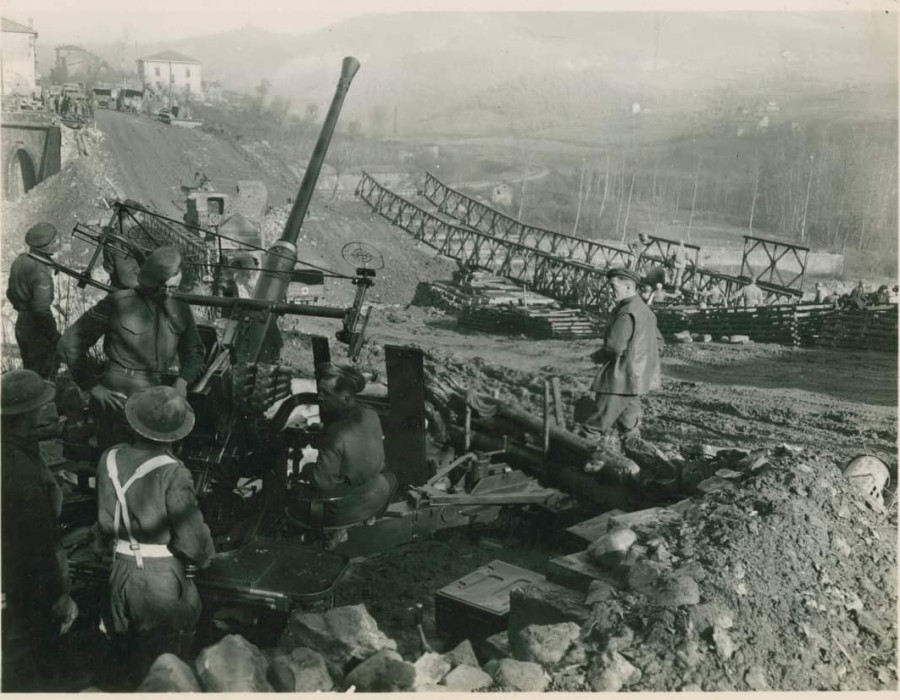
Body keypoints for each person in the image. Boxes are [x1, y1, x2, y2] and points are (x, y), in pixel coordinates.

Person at [96, 386, 214, 685]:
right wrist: (205, 557)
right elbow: (192, 541)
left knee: (120, 662)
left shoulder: (108, 458)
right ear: (176, 434)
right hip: (158, 581)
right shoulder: (174, 472)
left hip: (119, 571)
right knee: (161, 670)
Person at [58, 246, 205, 447]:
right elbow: (70, 343)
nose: (168, 294)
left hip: (159, 394)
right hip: (119, 395)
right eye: (164, 288)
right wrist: (92, 386)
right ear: (150, 283)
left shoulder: (179, 307)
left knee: (156, 459)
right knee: (116, 456)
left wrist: (183, 381)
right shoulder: (118, 303)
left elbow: (195, 351)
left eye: (174, 289)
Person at [1, 370, 79, 691]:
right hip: (26, 585)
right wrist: (61, 596)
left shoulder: (13, 446)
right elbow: (43, 545)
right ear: (26, 413)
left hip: (9, 574)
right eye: (41, 405)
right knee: (28, 659)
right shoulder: (24, 472)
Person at [295, 363, 394, 539]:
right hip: (379, 492)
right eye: (320, 391)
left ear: (346, 397)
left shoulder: (336, 435)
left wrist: (306, 469)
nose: (320, 397)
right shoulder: (370, 414)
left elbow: (322, 483)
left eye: (326, 394)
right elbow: (352, 444)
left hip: (346, 508)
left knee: (288, 496)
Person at [582, 267, 661, 442]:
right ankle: (644, 462)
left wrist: (597, 357)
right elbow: (659, 342)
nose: (610, 291)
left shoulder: (626, 311)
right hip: (636, 380)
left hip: (620, 379)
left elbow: (614, 348)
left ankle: (583, 464)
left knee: (593, 427)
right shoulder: (645, 310)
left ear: (627, 287)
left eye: (613, 287)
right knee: (629, 429)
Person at [6, 222, 63, 379]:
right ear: (42, 245)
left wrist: (23, 308)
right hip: (38, 330)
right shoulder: (40, 271)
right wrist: (54, 336)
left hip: (23, 324)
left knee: (30, 376)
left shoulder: (19, 261)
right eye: (52, 242)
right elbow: (41, 309)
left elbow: (10, 293)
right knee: (45, 378)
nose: (56, 244)